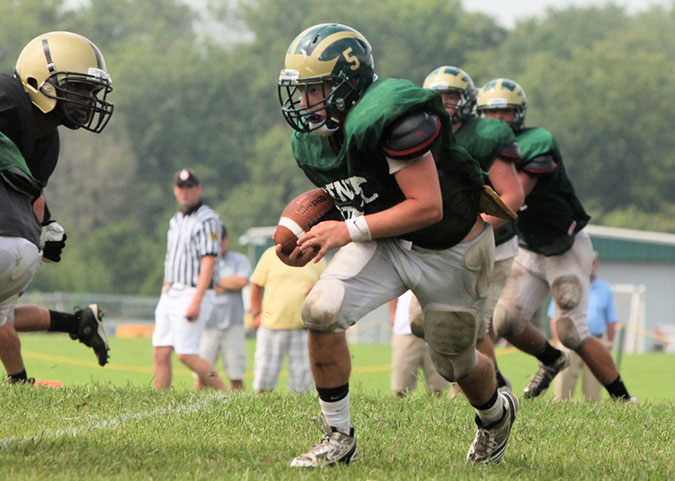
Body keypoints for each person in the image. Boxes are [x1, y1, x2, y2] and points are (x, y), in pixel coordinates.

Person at [277, 23, 518, 467]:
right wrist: (305, 237)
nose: (305, 102)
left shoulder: (391, 116)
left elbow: (427, 206)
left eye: (316, 89)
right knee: (321, 311)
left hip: (451, 248)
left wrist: (345, 231)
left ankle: (496, 416)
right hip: (387, 241)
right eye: (302, 91)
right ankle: (338, 436)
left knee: (454, 364)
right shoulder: (312, 141)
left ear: (348, 85)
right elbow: (354, 193)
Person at [478, 78, 633, 402]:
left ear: (519, 114)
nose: (499, 119)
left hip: (565, 246)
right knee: (506, 322)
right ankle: (552, 360)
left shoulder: (537, 141)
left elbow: (513, 197)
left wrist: (470, 229)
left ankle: (623, 399)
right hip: (529, 247)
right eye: (491, 113)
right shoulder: (482, 144)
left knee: (572, 332)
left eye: (506, 112)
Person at [0, 31, 114, 384]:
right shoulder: (10, 100)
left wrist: (46, 222)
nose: (87, 100)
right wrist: (46, 225)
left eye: (91, 92)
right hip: (23, 251)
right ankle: (21, 381)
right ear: (37, 79)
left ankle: (20, 380)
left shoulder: (44, 138)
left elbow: (31, 194)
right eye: (78, 88)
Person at [415, 66, 525, 392]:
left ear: (467, 100)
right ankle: (487, 383)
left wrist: (472, 230)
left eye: (451, 95)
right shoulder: (417, 132)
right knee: (419, 321)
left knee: (473, 329)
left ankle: (494, 392)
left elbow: (513, 195)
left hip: (488, 242)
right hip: (439, 242)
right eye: (438, 96)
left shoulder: (486, 134)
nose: (444, 102)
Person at [152, 168, 226, 391]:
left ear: (198, 189)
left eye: (189, 187)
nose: (185, 192)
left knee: (186, 353)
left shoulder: (208, 219)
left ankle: (225, 391)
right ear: (175, 190)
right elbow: (171, 258)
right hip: (171, 290)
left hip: (193, 290)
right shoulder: (175, 220)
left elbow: (209, 260)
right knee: (161, 350)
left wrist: (197, 300)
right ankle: (159, 398)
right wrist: (165, 285)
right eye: (181, 187)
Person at [249, 245, 325, 393]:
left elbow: (326, 285)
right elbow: (256, 285)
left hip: (303, 329)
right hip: (271, 327)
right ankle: (262, 405)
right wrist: (256, 315)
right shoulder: (270, 255)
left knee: (303, 383)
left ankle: (300, 406)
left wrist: (316, 290)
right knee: (263, 380)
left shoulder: (315, 257)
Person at [549, 252, 617, 401]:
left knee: (593, 390)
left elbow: (611, 319)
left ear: (596, 265)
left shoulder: (605, 289)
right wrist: (558, 341)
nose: (589, 266)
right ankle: (560, 410)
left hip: (595, 341)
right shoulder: (566, 286)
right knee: (563, 386)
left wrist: (609, 342)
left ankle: (592, 412)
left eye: (592, 263)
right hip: (569, 341)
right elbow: (554, 316)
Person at [196, 225, 251, 391]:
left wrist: (212, 282)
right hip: (207, 324)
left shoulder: (240, 260)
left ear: (227, 240)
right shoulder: (201, 260)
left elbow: (241, 282)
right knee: (202, 375)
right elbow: (197, 283)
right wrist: (227, 284)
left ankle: (239, 405)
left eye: (221, 240)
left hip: (233, 324)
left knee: (236, 374)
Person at [389, 291, 449, 398]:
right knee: (401, 385)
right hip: (405, 329)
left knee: (437, 386)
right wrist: (393, 314)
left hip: (436, 330)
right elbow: (392, 292)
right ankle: (400, 407)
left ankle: (435, 407)